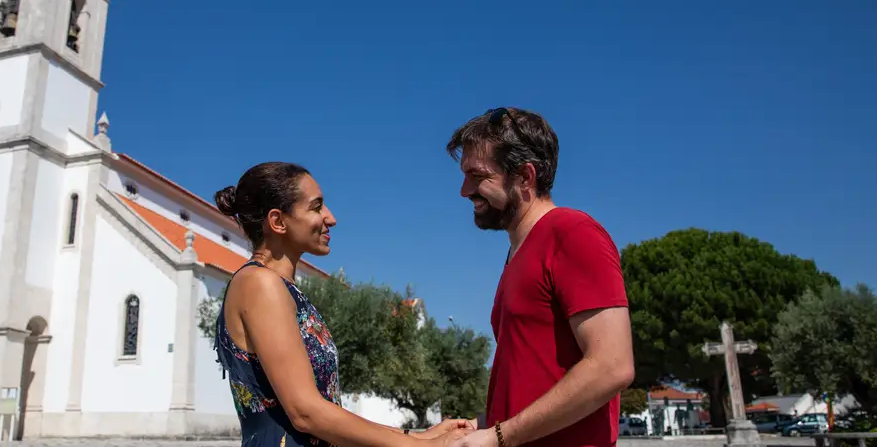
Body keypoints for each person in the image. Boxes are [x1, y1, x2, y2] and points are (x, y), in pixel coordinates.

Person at [213, 161, 474, 447]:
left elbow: (323, 409)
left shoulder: (281, 288)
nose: (331, 218)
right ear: (278, 222)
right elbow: (305, 413)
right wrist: (425, 446)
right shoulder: (260, 284)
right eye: (316, 207)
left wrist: (422, 435)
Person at [445, 108, 634, 447]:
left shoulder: (574, 233)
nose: (464, 190)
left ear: (525, 177)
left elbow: (613, 366)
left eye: (477, 175)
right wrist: (480, 425)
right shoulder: (517, 255)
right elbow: (539, 381)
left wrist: (500, 436)